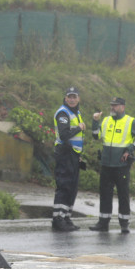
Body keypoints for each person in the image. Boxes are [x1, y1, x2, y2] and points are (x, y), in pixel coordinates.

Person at [89, 97, 135, 233]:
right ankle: (103, 222)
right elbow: (96, 136)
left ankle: (124, 223)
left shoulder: (130, 121)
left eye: (115, 105)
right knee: (105, 194)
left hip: (121, 165)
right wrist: (95, 122)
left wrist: (130, 149)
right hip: (106, 164)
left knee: (123, 194)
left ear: (123, 107)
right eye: (111, 105)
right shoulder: (106, 120)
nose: (112, 108)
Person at [51, 86, 86, 232]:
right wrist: (78, 128)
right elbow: (64, 135)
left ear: (78, 99)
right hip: (65, 153)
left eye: (74, 97)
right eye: (69, 97)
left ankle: (65, 217)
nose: (72, 99)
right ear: (65, 98)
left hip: (73, 154)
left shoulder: (75, 112)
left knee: (72, 187)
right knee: (64, 186)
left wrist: (78, 155)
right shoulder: (63, 113)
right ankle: (58, 219)